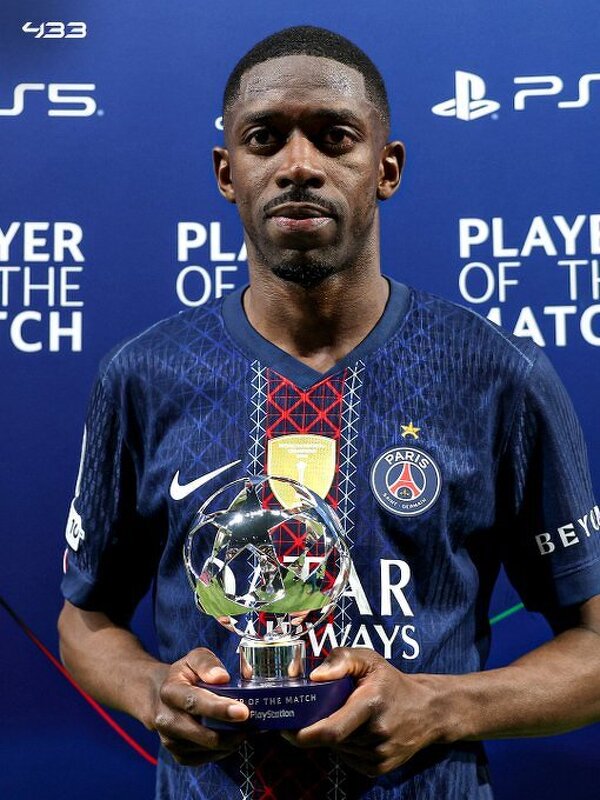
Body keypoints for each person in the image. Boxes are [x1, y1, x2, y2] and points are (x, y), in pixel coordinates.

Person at [58, 25, 600, 800]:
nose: (298, 165)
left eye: (334, 137)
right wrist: (153, 692)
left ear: (386, 168)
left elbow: (593, 644)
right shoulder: (144, 375)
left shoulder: (497, 375)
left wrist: (440, 706)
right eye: (264, 139)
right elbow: (84, 621)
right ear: (227, 172)